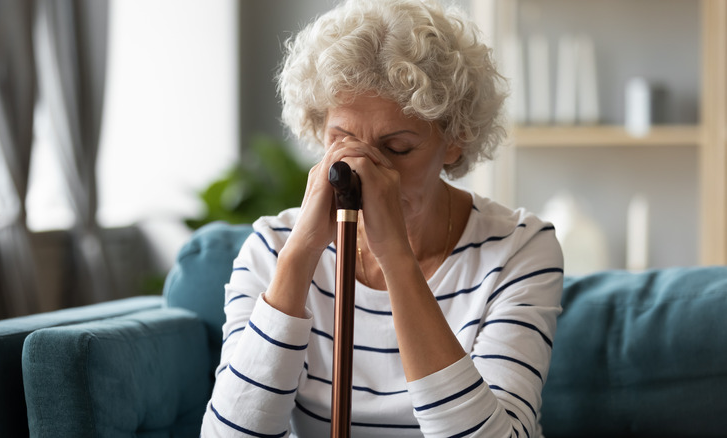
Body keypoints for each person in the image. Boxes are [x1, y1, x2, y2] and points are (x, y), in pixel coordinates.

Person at [202, 0, 563, 436]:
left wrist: (395, 256)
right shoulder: (273, 247)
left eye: (398, 149)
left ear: (455, 140)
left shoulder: (520, 248)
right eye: (342, 140)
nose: (363, 170)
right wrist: (300, 256)